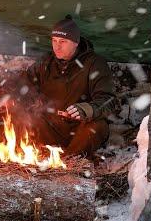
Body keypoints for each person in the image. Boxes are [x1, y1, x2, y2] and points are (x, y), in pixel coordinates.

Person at [24, 15, 117, 157]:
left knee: (97, 127)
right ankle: (40, 154)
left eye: (63, 41)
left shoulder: (95, 63)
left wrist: (85, 109)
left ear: (76, 43)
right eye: (54, 41)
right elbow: (23, 83)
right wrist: (0, 96)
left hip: (80, 130)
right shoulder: (46, 61)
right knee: (19, 112)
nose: (57, 46)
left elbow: (108, 100)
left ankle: (68, 161)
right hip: (51, 127)